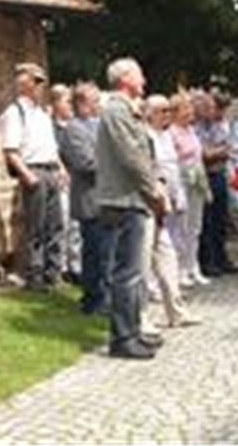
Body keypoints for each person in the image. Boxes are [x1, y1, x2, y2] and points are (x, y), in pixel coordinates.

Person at [95, 57, 164, 360]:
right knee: (127, 272)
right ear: (125, 79)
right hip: (123, 199)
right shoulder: (116, 110)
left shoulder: (124, 110)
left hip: (131, 198)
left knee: (135, 270)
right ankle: (122, 338)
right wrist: (154, 189)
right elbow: (131, 156)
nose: (145, 81)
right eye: (140, 76)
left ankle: (133, 331)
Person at [1, 63, 68, 291]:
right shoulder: (14, 112)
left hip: (50, 168)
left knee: (56, 225)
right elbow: (10, 150)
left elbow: (51, 146)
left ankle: (53, 272)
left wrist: (61, 168)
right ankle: (35, 274)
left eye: (42, 82)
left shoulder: (42, 113)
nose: (41, 86)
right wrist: (27, 175)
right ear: (24, 84)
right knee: (36, 228)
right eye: (36, 81)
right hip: (34, 170)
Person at [144, 95, 199, 327]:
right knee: (143, 258)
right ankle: (143, 311)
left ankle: (176, 310)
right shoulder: (145, 136)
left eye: (168, 110)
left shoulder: (166, 136)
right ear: (150, 114)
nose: (167, 115)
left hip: (169, 198)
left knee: (168, 255)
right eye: (162, 111)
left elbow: (173, 168)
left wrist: (177, 195)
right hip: (151, 203)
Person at [57, 82, 110, 314]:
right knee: (95, 253)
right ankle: (94, 300)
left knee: (107, 253)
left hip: (107, 198)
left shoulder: (100, 125)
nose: (99, 105)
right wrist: (114, 164)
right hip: (90, 199)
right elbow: (86, 163)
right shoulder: (74, 129)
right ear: (81, 104)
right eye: (94, 101)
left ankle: (104, 296)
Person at [170, 91, 212, 286]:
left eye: (190, 109)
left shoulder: (192, 131)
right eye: (185, 109)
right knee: (181, 228)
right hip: (182, 180)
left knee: (195, 227)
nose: (190, 113)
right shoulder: (172, 132)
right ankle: (179, 269)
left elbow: (198, 157)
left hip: (197, 181)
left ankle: (193, 266)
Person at [196, 89, 238, 276]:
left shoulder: (218, 125)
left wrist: (218, 152)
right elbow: (203, 154)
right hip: (204, 175)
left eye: (213, 107)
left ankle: (221, 257)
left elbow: (229, 148)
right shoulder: (195, 127)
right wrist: (219, 152)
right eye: (207, 107)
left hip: (219, 173)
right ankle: (208, 260)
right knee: (207, 221)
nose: (212, 111)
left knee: (220, 219)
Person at [49, 83, 83, 285]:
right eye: (66, 101)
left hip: (77, 178)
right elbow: (52, 151)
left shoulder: (75, 125)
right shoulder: (51, 127)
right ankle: (61, 266)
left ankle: (76, 265)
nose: (70, 105)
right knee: (62, 222)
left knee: (76, 225)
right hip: (62, 179)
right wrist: (61, 169)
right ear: (55, 103)